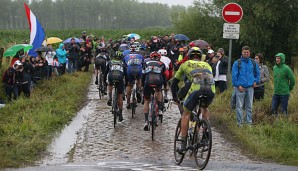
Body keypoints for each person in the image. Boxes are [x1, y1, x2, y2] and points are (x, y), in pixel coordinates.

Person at [171, 47, 215, 153]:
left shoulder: (185, 64)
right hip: (211, 89)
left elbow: (174, 83)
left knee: (186, 114)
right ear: (200, 57)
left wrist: (175, 97)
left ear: (189, 56)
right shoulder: (207, 64)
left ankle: (183, 143)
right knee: (204, 107)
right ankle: (205, 133)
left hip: (196, 89)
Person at [232, 46, 260, 127]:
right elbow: (234, 76)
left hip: (250, 87)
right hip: (240, 88)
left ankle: (249, 124)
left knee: (249, 106)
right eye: (244, 52)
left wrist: (256, 81)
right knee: (239, 106)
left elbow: (257, 73)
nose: (246, 53)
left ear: (249, 53)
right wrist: (237, 85)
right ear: (242, 52)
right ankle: (240, 124)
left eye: (247, 52)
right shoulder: (237, 63)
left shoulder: (253, 62)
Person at [142, 51, 167, 131]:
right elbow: (164, 77)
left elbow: (143, 75)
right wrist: (165, 86)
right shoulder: (161, 64)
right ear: (159, 58)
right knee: (158, 91)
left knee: (146, 100)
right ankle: (159, 109)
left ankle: (146, 121)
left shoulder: (146, 63)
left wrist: (143, 86)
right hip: (158, 81)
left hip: (148, 81)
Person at [105, 51, 126, 122]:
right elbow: (125, 74)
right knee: (120, 95)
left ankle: (110, 98)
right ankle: (120, 113)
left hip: (111, 77)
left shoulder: (110, 62)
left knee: (110, 85)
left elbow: (106, 72)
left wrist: (105, 81)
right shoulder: (123, 63)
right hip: (119, 78)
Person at [123, 45, 144, 109]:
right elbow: (143, 65)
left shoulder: (126, 56)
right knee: (139, 79)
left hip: (130, 69)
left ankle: (128, 102)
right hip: (138, 69)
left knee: (129, 85)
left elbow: (124, 66)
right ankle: (138, 90)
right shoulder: (140, 56)